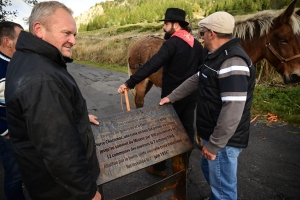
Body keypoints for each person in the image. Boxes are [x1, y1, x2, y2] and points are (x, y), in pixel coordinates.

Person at [5, 1, 101, 200]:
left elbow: (47, 121)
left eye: (74, 34)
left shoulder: (28, 59)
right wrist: (88, 193)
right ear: (39, 29)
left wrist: (78, 117)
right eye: (66, 33)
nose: (73, 41)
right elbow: (60, 150)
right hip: (62, 191)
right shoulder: (41, 78)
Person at [160, 11, 256, 200]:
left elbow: (232, 111)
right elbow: (198, 78)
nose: (200, 37)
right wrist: (172, 97)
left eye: (202, 33)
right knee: (211, 172)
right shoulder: (216, 55)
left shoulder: (233, 62)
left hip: (224, 141)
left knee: (224, 188)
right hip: (212, 133)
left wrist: (214, 145)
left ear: (212, 33)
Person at [118, 8, 204, 178]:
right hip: (191, 95)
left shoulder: (171, 44)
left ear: (176, 25)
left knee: (164, 131)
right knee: (187, 129)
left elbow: (151, 65)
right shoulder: (196, 45)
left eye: (166, 24)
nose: (164, 28)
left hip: (171, 96)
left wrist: (130, 83)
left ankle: (159, 168)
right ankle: (183, 166)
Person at [0, 21, 26, 200]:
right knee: (15, 177)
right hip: (9, 137)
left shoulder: (19, 62)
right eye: (21, 38)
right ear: (7, 41)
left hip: (26, 132)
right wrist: (5, 131)